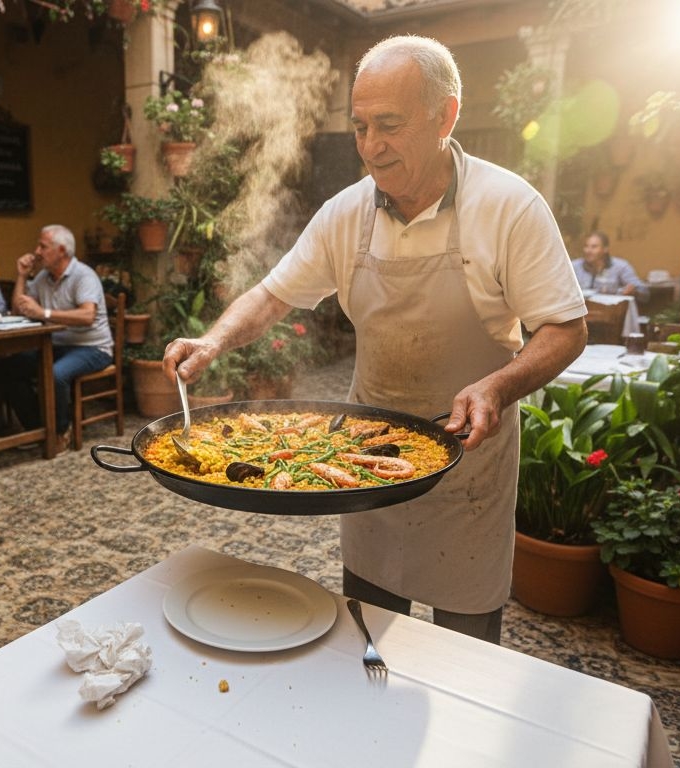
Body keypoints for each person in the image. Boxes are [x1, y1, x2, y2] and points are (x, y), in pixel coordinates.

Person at [162, 36, 588, 645]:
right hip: (360, 466)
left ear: (447, 116)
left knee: (466, 651)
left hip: (465, 462)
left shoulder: (509, 206)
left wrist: (498, 386)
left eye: (389, 125)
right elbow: (273, 294)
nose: (369, 146)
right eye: (360, 126)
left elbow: (565, 328)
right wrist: (212, 341)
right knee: (366, 637)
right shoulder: (345, 213)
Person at [6, 225, 113, 445]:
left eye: (43, 246)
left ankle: (60, 433)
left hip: (92, 348)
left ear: (62, 250)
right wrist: (21, 276)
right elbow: (19, 310)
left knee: (56, 374)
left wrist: (43, 313)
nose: (37, 251)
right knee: (10, 367)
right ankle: (37, 428)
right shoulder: (44, 277)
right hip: (56, 346)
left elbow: (87, 315)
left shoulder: (84, 275)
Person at [571, 230, 649, 301]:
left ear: (605, 249)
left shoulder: (620, 266)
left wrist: (634, 291)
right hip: (583, 313)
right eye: (586, 246)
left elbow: (644, 292)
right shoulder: (574, 266)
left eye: (594, 247)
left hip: (613, 312)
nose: (588, 250)